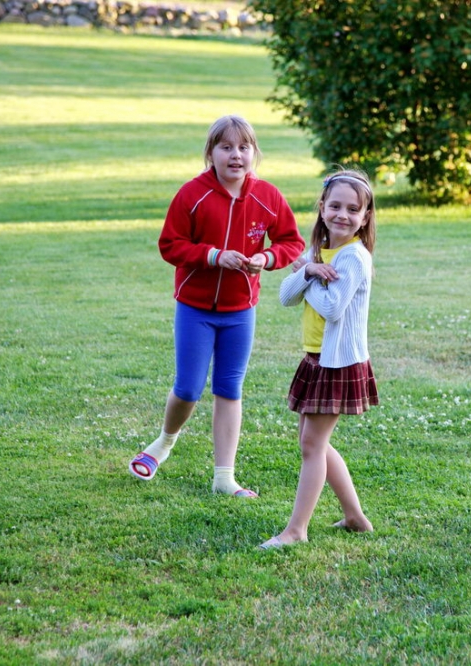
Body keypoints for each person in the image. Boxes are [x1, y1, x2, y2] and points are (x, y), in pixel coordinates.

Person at [129, 115, 305, 498]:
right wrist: (213, 256)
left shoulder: (268, 196)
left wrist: (267, 258)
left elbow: (292, 242)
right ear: (211, 153)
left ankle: (224, 478)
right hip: (195, 310)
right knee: (188, 389)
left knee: (229, 388)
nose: (236, 155)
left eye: (244, 147)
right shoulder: (192, 194)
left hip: (240, 311)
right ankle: (163, 443)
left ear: (254, 153)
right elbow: (170, 245)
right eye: (226, 147)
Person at [260, 169, 378, 548]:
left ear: (365, 217)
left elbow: (331, 308)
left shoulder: (353, 257)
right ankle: (355, 518)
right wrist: (310, 269)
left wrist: (307, 277)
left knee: (312, 445)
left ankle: (296, 531)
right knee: (314, 443)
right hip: (316, 359)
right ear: (322, 208)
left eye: (353, 209)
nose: (342, 215)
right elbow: (285, 296)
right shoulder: (317, 252)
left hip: (338, 363)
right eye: (335, 206)